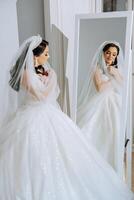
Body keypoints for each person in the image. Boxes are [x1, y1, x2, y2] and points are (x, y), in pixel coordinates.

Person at [0, 36, 133, 200]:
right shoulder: (26, 74)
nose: (48, 57)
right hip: (32, 114)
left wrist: (50, 79)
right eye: (46, 54)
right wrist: (53, 78)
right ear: (35, 56)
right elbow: (41, 97)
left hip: (48, 113)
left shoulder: (41, 71)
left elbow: (52, 93)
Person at [77, 41, 124, 171]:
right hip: (99, 104)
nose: (110, 57)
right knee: (94, 132)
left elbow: (124, 86)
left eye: (114, 54)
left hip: (114, 105)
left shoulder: (116, 70)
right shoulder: (96, 68)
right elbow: (100, 88)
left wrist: (115, 73)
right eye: (108, 53)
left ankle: (111, 168)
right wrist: (113, 77)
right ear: (103, 53)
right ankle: (92, 167)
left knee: (112, 135)